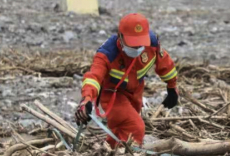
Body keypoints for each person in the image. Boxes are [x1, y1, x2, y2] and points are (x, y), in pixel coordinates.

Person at [74, 13, 179, 146]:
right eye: (133, 44)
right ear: (120, 36)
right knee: (135, 127)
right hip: (113, 94)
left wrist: (172, 87)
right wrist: (87, 98)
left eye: (140, 43)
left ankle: (111, 152)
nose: (137, 48)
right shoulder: (107, 54)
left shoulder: (152, 44)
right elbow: (93, 77)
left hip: (136, 90)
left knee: (120, 128)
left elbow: (165, 64)